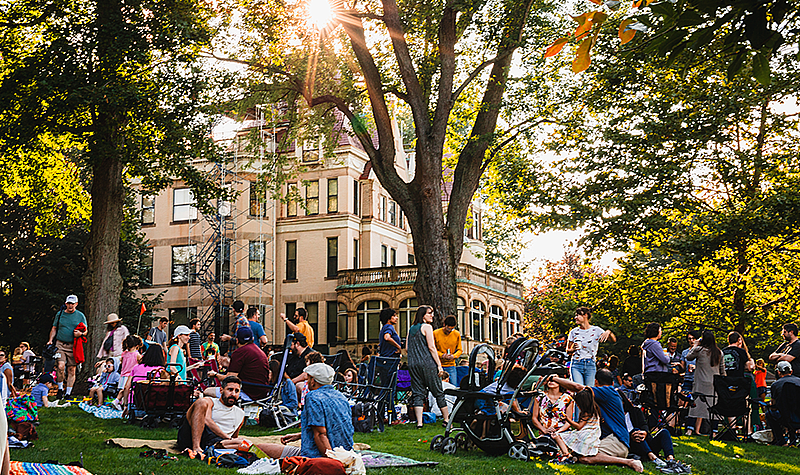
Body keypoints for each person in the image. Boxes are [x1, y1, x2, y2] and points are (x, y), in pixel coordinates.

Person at [551, 370, 643, 472]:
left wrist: (553, 378)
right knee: (577, 451)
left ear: (595, 382)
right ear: (613, 382)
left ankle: (630, 462)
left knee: (584, 458)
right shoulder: (609, 393)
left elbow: (578, 388)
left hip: (616, 441)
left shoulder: (607, 391)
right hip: (610, 439)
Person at [256, 363, 353, 459]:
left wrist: (333, 462)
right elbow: (333, 429)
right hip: (345, 453)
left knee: (260, 448)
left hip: (320, 455)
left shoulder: (313, 397)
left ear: (313, 381)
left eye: (308, 379)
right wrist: (299, 436)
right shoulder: (341, 397)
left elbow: (320, 434)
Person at [177, 376, 246, 458]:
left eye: (236, 391)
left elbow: (234, 437)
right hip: (194, 436)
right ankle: (196, 448)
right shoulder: (210, 402)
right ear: (221, 390)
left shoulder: (241, 413)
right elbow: (207, 420)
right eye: (230, 390)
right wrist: (228, 438)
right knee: (200, 403)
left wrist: (233, 441)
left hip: (217, 443)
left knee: (244, 443)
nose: (233, 394)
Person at [407, 305, 450, 428]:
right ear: (423, 315)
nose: (432, 315)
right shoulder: (427, 327)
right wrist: (439, 365)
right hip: (427, 364)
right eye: (429, 313)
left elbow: (406, 348)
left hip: (413, 364)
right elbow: (431, 347)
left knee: (418, 393)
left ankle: (419, 423)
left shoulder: (411, 329)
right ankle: (447, 419)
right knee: (438, 392)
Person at [619, 391, 684, 471]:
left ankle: (670, 459)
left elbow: (643, 424)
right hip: (631, 444)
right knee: (635, 431)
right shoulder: (613, 416)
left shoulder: (634, 411)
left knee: (664, 432)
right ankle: (652, 457)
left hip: (645, 440)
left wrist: (645, 432)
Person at [207, 326, 270, 402]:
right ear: (252, 338)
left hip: (248, 393)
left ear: (237, 340)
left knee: (207, 391)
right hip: (262, 393)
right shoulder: (259, 351)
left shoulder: (239, 352)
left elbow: (229, 379)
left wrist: (215, 375)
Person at [685, 329, 725, 436]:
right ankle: (714, 431)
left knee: (695, 406)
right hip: (713, 383)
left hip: (700, 382)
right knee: (713, 407)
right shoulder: (719, 352)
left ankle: (689, 429)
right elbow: (722, 370)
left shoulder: (700, 350)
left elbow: (688, 357)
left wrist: (695, 345)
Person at [47, 294, 87, 399]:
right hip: (60, 344)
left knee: (72, 369)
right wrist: (50, 340)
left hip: (74, 346)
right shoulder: (60, 314)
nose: (70, 306)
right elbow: (54, 328)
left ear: (76, 304)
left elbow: (85, 330)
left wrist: (81, 334)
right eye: (69, 303)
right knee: (60, 366)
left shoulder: (80, 315)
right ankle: (60, 389)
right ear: (66, 304)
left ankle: (68, 392)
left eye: (72, 304)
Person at [566, 307, 616, 387]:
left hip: (590, 364)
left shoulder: (596, 330)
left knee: (590, 390)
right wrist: (573, 349)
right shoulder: (574, 332)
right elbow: (567, 351)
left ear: (585, 315)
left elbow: (613, 340)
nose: (575, 317)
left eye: (578, 315)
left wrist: (608, 332)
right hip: (576, 364)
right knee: (579, 389)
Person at [551, 388, 602, 462]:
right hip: (593, 435)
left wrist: (567, 419)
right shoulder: (595, 410)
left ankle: (566, 454)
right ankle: (571, 455)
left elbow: (579, 426)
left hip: (586, 435)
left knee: (557, 436)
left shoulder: (586, 413)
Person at [118, 344, 168, 411]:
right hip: (153, 402)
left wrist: (126, 405)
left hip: (135, 401)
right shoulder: (161, 370)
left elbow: (127, 387)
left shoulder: (136, 367)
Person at [765, 361, 800, 446]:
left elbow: (773, 405)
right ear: (791, 371)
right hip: (799, 415)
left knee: (770, 414)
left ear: (778, 372)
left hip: (786, 417)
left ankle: (780, 440)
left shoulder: (776, 385)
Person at [112, 335, 142, 410]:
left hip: (122, 375)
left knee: (123, 390)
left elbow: (122, 361)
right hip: (130, 376)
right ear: (137, 345)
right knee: (127, 391)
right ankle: (123, 403)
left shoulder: (124, 353)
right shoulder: (137, 355)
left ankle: (120, 402)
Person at [434, 315, 462, 385]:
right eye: (448, 329)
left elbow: (460, 350)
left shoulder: (456, 334)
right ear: (444, 325)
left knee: (453, 386)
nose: (449, 331)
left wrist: (454, 356)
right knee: (438, 386)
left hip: (451, 365)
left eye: (451, 329)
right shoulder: (436, 333)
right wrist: (442, 355)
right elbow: (432, 349)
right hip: (438, 364)